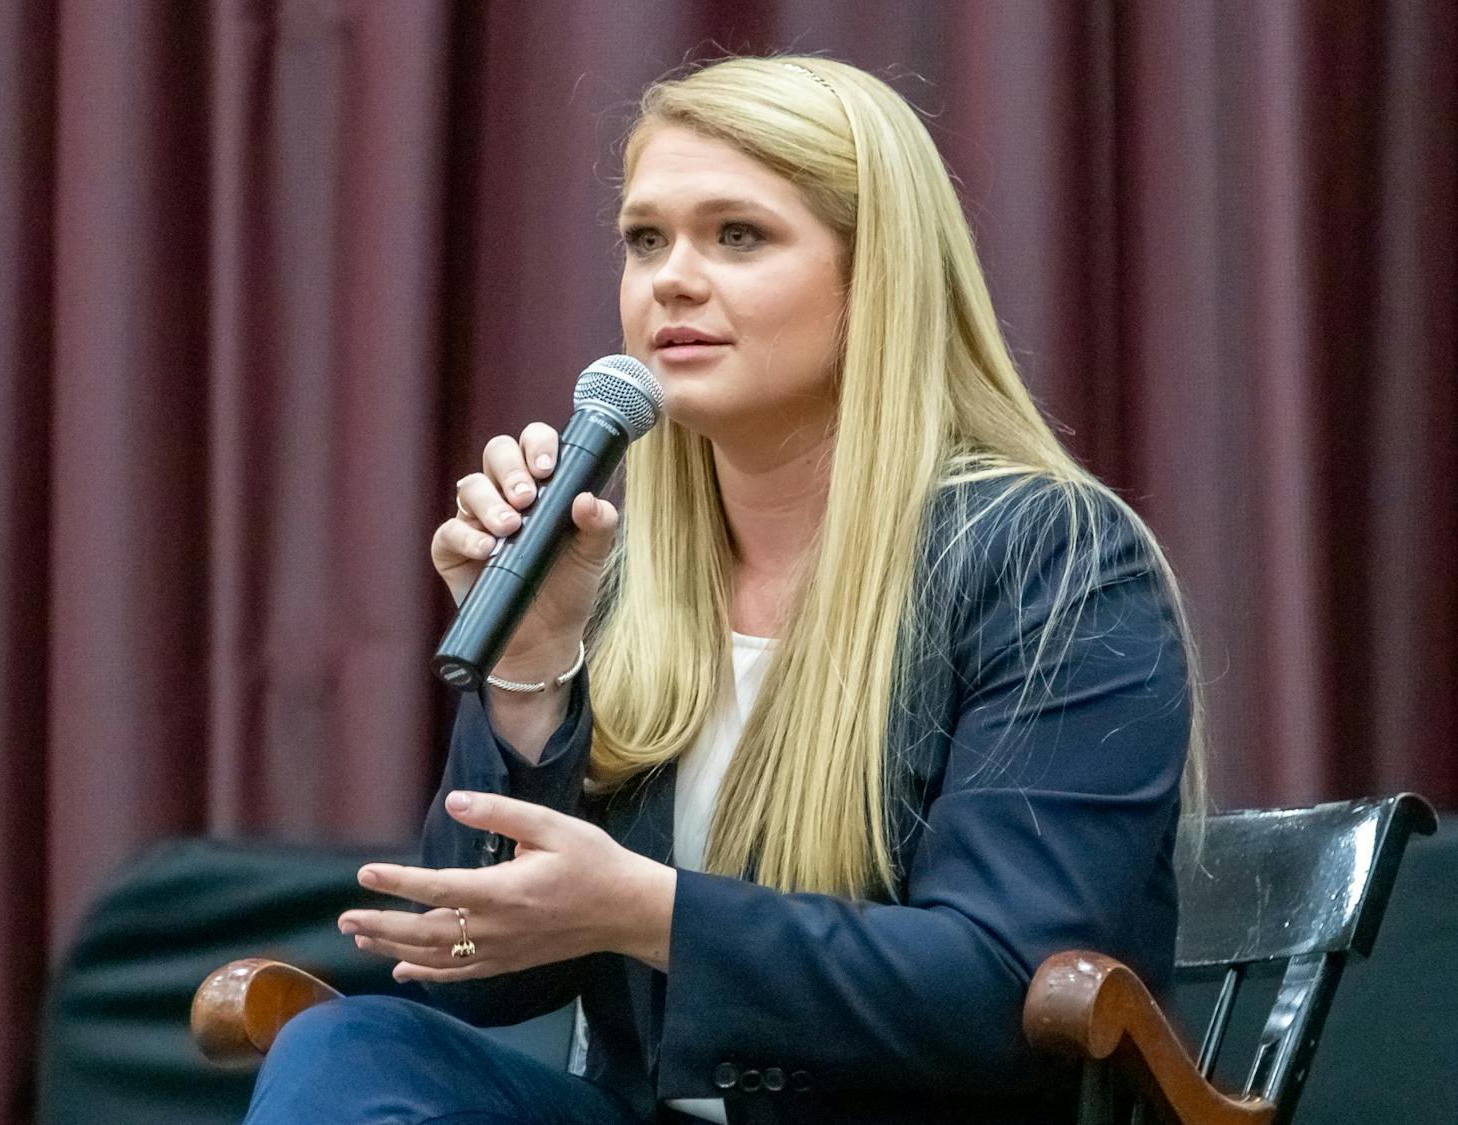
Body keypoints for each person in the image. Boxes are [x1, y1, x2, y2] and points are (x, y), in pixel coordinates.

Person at [244, 54, 1204, 1125]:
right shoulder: (619, 571)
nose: (672, 279)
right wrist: (532, 665)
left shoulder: (1051, 562)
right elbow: (480, 980)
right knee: (355, 1044)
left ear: (875, 275)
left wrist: (651, 913)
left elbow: (1004, 988)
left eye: (736, 236)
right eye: (645, 239)